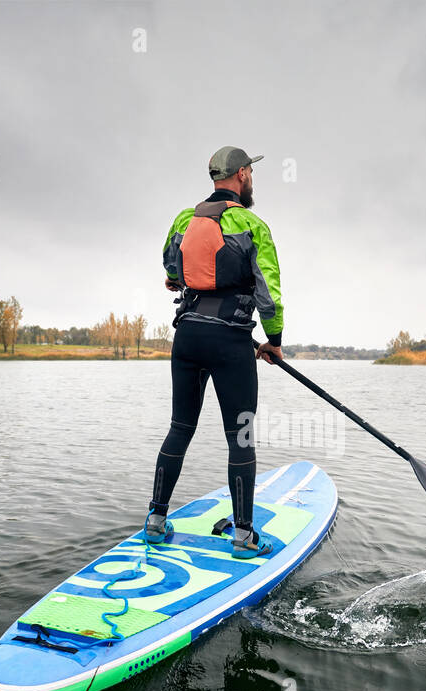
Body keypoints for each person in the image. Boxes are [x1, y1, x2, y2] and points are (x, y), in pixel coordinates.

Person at [147, 146, 284, 558]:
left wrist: (176, 279)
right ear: (242, 175)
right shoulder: (252, 223)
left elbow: (171, 266)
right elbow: (269, 294)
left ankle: (155, 521)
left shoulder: (184, 219)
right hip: (231, 342)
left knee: (180, 427)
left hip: (187, 337)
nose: (251, 179)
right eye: (250, 173)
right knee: (240, 436)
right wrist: (274, 341)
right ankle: (243, 536)